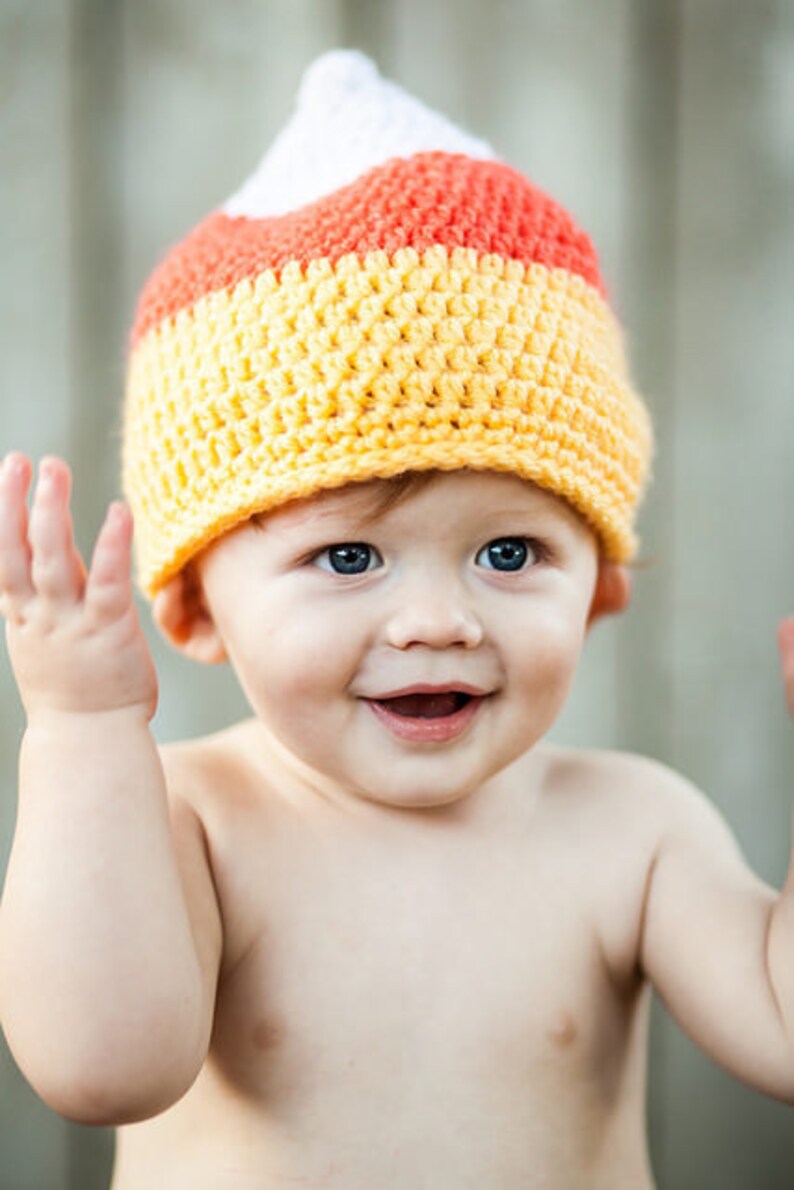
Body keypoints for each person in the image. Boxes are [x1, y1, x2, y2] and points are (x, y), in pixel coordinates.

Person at [0, 49, 792, 1190]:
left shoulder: (632, 829)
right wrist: (80, 731)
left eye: (509, 551)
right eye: (348, 554)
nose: (435, 619)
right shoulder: (188, 822)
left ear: (599, 577)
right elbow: (100, 1065)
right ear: (196, 602)